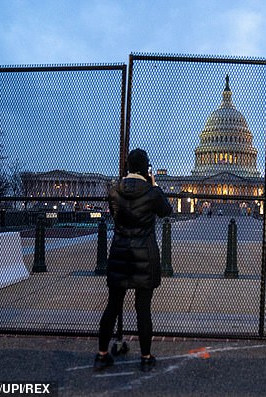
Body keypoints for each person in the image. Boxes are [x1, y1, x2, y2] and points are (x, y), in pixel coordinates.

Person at [95, 148, 173, 371]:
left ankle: (101, 355)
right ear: (146, 168)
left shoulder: (114, 191)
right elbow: (166, 211)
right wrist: (155, 184)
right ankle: (146, 357)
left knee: (112, 306)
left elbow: (118, 217)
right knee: (143, 309)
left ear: (128, 166)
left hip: (119, 253)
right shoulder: (153, 193)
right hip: (144, 257)